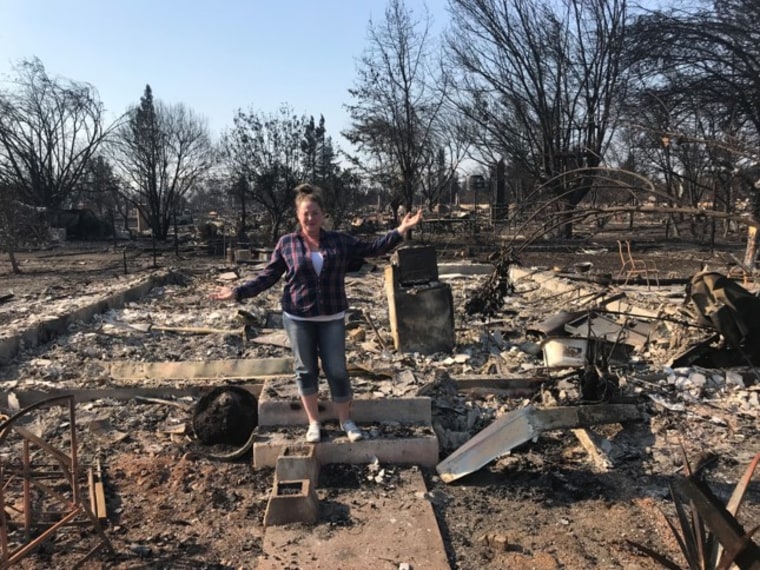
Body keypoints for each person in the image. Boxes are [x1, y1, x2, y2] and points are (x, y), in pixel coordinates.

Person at [211, 183, 423, 443]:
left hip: (332, 317)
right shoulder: (287, 243)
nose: (310, 218)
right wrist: (238, 292)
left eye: (315, 213)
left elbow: (373, 248)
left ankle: (346, 420)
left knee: (337, 370)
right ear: (298, 216)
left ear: (323, 215)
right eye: (305, 214)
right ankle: (314, 422)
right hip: (298, 318)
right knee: (306, 370)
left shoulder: (339, 240)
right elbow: (268, 276)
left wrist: (401, 230)